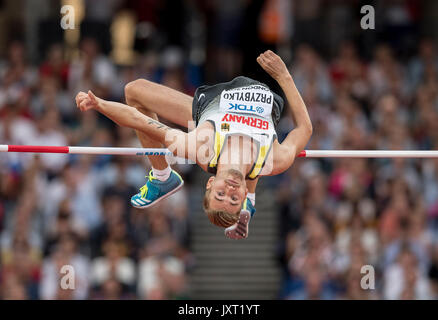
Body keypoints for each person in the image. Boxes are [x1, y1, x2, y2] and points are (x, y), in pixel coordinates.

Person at [75, 50, 312, 239]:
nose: (229, 191)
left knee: (134, 91)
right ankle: (249, 205)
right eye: (234, 199)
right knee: (253, 163)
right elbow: (304, 129)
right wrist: (284, 77)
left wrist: (100, 105)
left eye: (220, 194)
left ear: (210, 183)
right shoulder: (275, 160)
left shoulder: (199, 147)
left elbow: (139, 121)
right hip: (256, 109)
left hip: (213, 106)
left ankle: (162, 176)